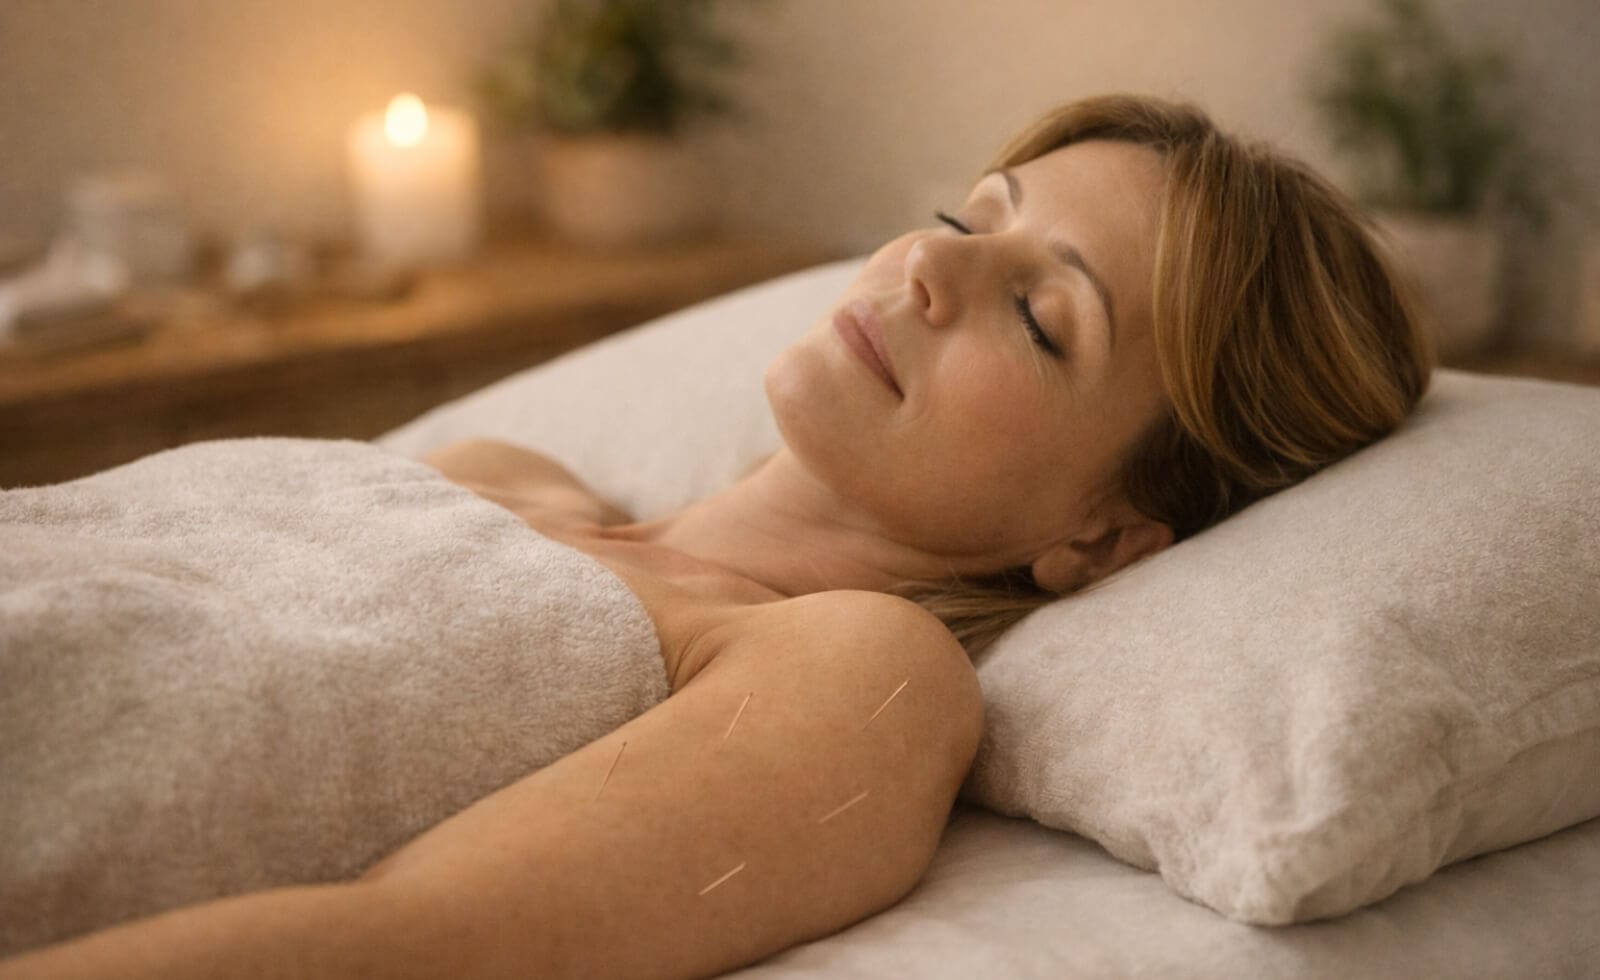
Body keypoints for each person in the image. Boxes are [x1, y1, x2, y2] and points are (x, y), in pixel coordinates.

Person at [0, 93, 1430, 979]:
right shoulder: (495, 472)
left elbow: (406, 956)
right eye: (965, 219)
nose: (927, 264)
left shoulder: (853, 676)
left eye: (1038, 314)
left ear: (1106, 539)